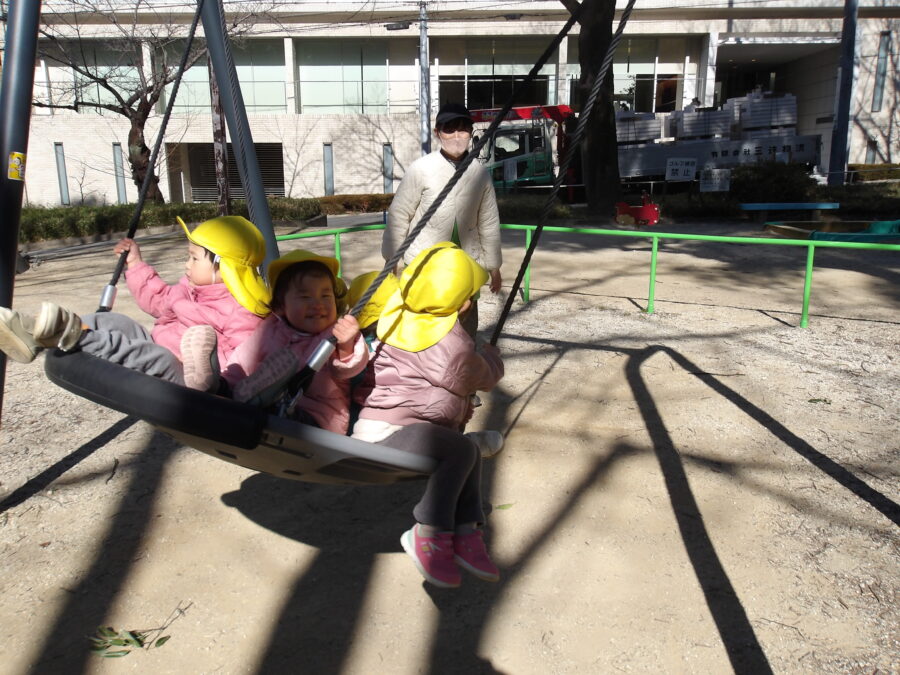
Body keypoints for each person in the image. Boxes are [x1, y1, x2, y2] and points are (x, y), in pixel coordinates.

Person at [352, 242, 504, 588]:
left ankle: (466, 531)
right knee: (461, 449)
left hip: (392, 430)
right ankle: (429, 530)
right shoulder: (452, 346)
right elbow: (485, 378)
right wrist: (492, 357)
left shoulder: (396, 318)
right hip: (389, 437)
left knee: (467, 451)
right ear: (464, 304)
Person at [0, 215, 270, 385]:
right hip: (158, 347)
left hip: (187, 375)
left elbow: (244, 361)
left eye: (194, 258)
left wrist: (210, 375)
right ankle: (34, 333)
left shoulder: (241, 312)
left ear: (224, 267)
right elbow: (158, 300)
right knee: (114, 322)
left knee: (158, 358)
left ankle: (71, 335)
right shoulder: (188, 288)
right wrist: (136, 263)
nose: (186, 264)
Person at [195, 249, 368, 436]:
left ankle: (255, 399)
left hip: (317, 419)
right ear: (280, 306)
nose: (318, 303)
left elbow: (347, 370)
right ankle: (213, 384)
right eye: (305, 297)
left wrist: (346, 345)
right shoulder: (270, 329)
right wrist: (230, 381)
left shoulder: (335, 333)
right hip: (266, 406)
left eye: (326, 296)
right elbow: (244, 359)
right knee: (238, 386)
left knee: (271, 410)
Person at [382, 102, 502, 336]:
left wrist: (494, 266)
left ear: (471, 132)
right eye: (449, 129)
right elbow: (400, 214)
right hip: (425, 262)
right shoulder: (421, 169)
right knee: (425, 330)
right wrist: (391, 258)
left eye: (463, 129)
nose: (457, 136)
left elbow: (488, 222)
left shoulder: (479, 173)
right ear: (438, 132)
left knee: (465, 331)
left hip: (467, 264)